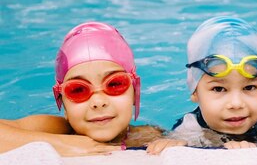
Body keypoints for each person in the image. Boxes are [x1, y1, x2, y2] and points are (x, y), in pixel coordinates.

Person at [147, 16, 257, 153]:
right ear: (195, 92)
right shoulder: (190, 129)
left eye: (249, 87)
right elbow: (179, 149)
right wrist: (172, 144)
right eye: (218, 89)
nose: (237, 103)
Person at [0, 22, 163, 156]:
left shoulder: (149, 135)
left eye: (114, 84)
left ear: (134, 92)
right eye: (78, 90)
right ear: (63, 103)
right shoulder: (57, 130)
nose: (98, 102)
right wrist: (60, 144)